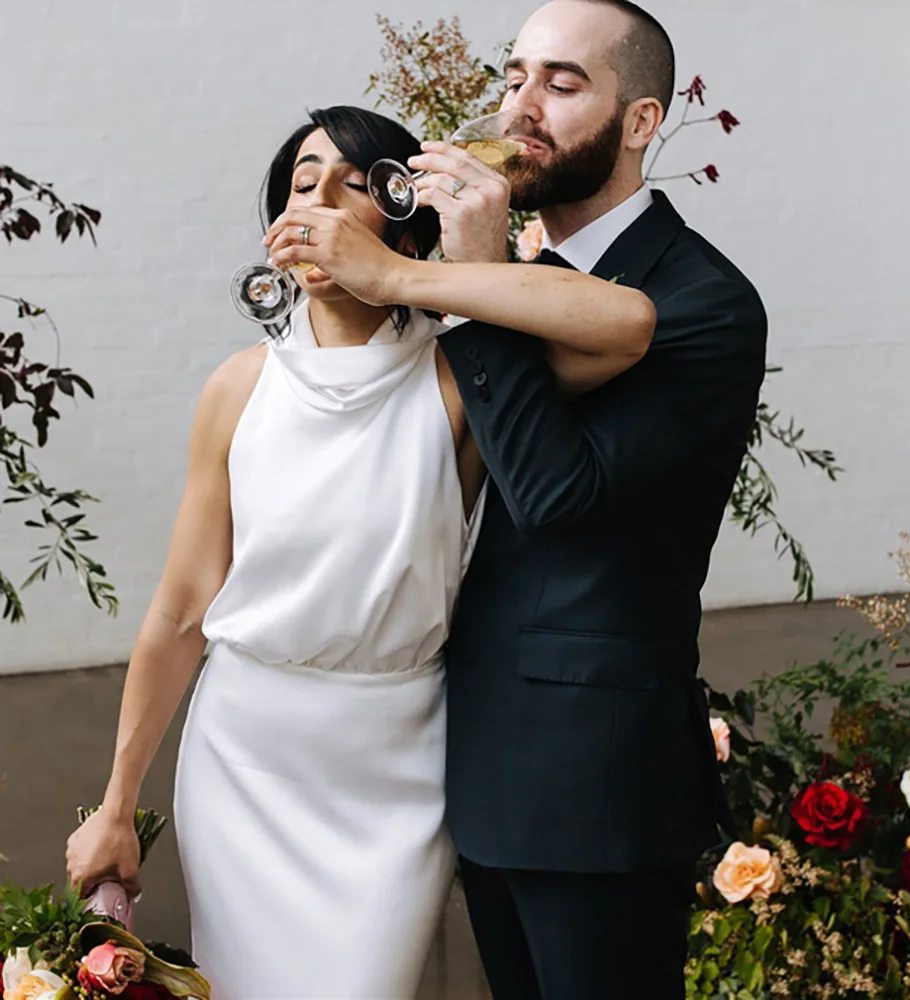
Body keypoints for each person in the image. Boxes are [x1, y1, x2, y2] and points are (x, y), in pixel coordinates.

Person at [64, 104, 656, 1000]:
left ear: (401, 219)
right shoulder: (237, 389)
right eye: (304, 184)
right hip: (245, 757)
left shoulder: (466, 381)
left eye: (356, 186)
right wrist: (116, 803)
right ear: (275, 231)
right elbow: (182, 611)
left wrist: (404, 280)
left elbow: (624, 326)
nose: (323, 203)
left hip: (396, 759)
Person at [411, 1, 769, 997]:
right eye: (515, 75)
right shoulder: (517, 278)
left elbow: (556, 497)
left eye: (562, 84)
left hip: (597, 786)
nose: (522, 105)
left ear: (641, 122)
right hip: (476, 758)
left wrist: (475, 276)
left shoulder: (702, 302)